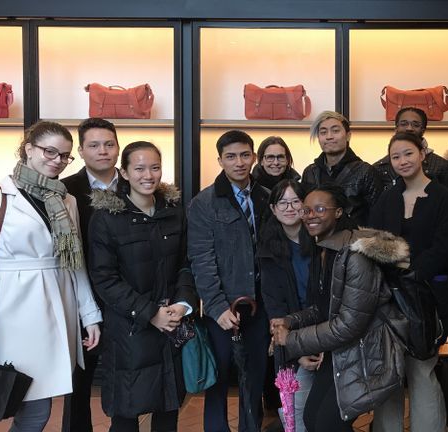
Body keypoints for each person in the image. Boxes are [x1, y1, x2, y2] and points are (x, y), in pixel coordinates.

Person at [0, 121, 102, 431]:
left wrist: (90, 314)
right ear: (29, 149)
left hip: (55, 311)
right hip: (8, 314)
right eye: (50, 151)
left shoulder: (67, 200)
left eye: (65, 155)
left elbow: (75, 262)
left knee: (38, 408)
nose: (57, 160)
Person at [270, 185, 408, 432]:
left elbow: (350, 324)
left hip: (364, 354)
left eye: (320, 209)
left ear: (339, 212)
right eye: (307, 210)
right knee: (313, 419)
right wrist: (290, 320)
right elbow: (322, 308)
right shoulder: (323, 249)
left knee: (325, 425)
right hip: (339, 353)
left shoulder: (356, 256)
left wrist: (291, 340)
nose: (311, 215)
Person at [88, 141, 198, 432]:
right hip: (129, 330)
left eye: (155, 167)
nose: (148, 175)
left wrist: (182, 304)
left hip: (172, 326)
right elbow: (104, 278)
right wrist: (150, 313)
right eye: (138, 168)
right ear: (123, 172)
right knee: (126, 413)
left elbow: (186, 264)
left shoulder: (173, 212)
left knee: (168, 408)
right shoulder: (107, 219)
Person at [369, 132, 448, 432]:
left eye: (408, 153)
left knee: (422, 370)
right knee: (389, 372)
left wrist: (412, 269)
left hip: (427, 295)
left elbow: (446, 246)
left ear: (423, 153)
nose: (402, 161)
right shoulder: (387, 197)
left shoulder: (443, 196)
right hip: (388, 297)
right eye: (396, 156)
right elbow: (374, 240)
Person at [188, 130, 271, 432]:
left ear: (253, 157)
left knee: (255, 376)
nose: (239, 162)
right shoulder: (204, 203)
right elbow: (201, 259)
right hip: (222, 308)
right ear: (220, 160)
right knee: (219, 378)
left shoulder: (265, 197)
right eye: (231, 156)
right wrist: (215, 306)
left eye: (245, 155)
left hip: (260, 306)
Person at [61, 117, 120, 432]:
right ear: (81, 151)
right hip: (81, 294)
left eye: (109, 144)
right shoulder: (64, 189)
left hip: (126, 295)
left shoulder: (134, 184)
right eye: (94, 145)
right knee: (79, 378)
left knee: (126, 374)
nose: (103, 151)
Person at [258, 179, 314, 432]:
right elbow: (275, 307)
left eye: (295, 201)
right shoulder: (268, 249)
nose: (289, 208)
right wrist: (297, 350)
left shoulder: (320, 240)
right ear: (273, 209)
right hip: (291, 339)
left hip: (326, 332)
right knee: (296, 410)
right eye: (282, 202)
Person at [301, 111, 383, 226]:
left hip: (355, 240)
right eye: (323, 132)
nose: (329, 136)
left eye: (335, 131)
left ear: (348, 135)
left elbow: (378, 216)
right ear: (318, 138)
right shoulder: (310, 172)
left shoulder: (365, 171)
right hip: (316, 239)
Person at [373, 107, 448, 195]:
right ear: (396, 128)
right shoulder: (379, 168)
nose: (409, 128)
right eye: (404, 124)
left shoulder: (442, 167)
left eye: (416, 125)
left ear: (423, 130)